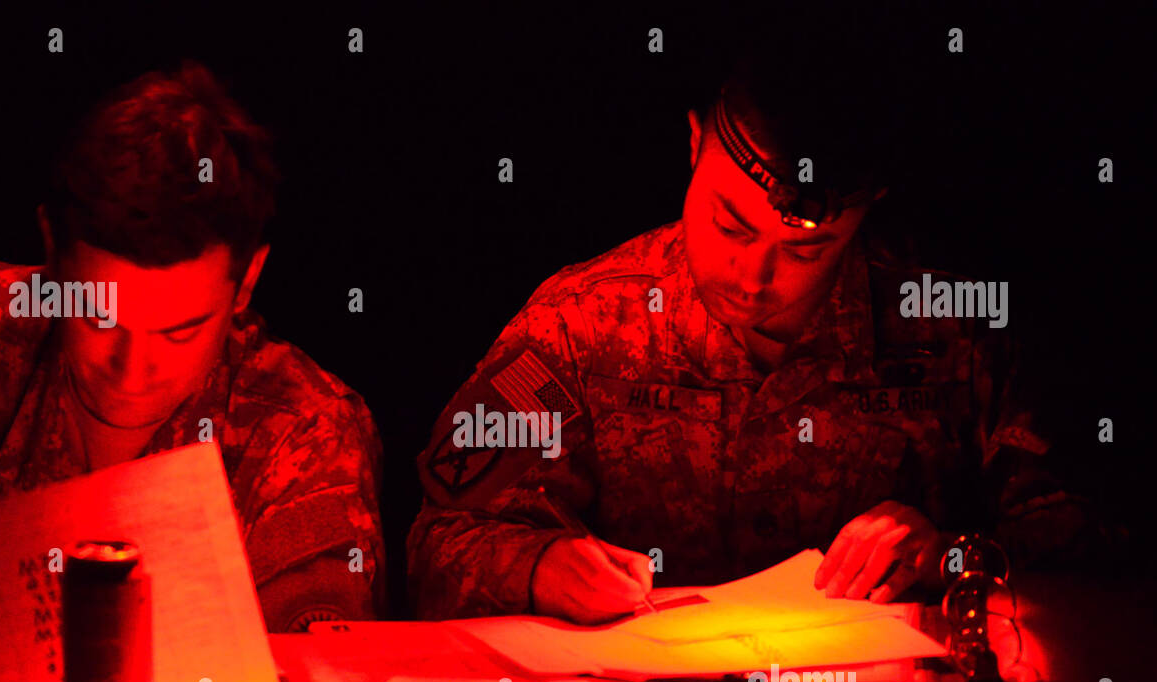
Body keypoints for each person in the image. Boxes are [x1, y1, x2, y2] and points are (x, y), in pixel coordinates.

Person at [407, 32, 1096, 625]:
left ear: (869, 210)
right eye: (728, 223)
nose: (753, 275)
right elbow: (438, 537)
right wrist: (539, 566)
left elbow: (1093, 555)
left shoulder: (955, 326)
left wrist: (949, 554)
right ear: (692, 142)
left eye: (806, 251)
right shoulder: (580, 324)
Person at [0, 62, 386, 633]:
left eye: (180, 331)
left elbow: (321, 668)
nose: (132, 373)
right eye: (97, 318)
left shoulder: (302, 432)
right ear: (53, 251)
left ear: (248, 280)